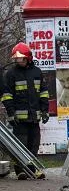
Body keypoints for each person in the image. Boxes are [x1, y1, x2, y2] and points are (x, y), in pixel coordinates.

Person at [1, 42, 49, 179]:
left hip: (34, 117)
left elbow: (43, 93)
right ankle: (20, 171)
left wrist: (45, 111)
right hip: (19, 118)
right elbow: (7, 95)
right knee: (21, 144)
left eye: (19, 58)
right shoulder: (11, 74)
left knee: (34, 144)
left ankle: (32, 169)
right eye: (15, 58)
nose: (17, 60)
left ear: (27, 58)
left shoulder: (37, 72)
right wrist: (11, 113)